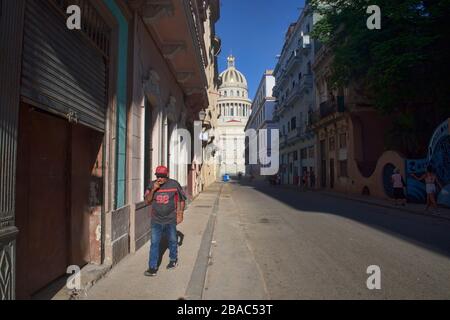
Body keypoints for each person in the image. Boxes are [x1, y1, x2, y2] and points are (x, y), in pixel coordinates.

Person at [144, 166, 187, 276]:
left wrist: (180, 214)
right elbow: (147, 201)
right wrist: (154, 189)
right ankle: (152, 267)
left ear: (167, 175)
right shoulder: (151, 184)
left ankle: (173, 260)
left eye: (162, 176)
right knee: (154, 243)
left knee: (172, 241)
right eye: (158, 176)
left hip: (170, 219)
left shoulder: (174, 184)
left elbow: (182, 199)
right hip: (156, 220)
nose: (160, 178)